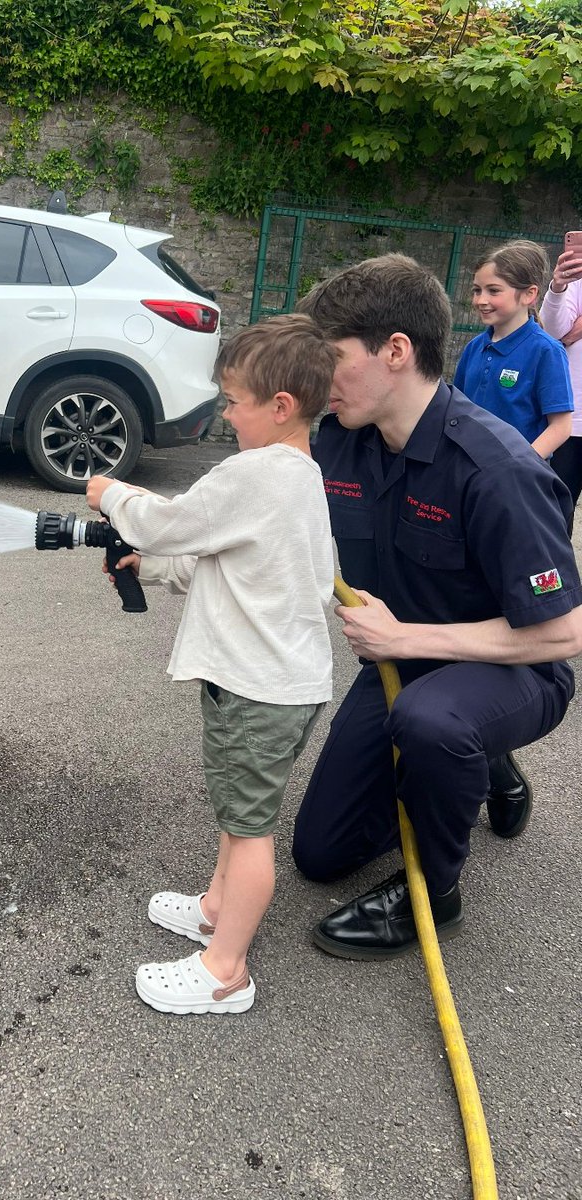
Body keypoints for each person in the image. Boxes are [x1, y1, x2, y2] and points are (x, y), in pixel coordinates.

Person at [292, 253, 582, 960]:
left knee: (431, 722)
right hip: (405, 661)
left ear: (396, 351)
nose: (316, 381)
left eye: (329, 359)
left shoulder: (497, 470)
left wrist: (405, 637)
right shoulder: (342, 439)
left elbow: (562, 633)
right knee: (320, 853)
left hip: (515, 671)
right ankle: (480, 765)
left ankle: (440, 890)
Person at [85, 314, 337, 1014]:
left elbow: (169, 522)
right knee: (238, 812)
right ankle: (215, 908)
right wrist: (156, 566)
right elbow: (237, 569)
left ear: (279, 406)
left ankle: (225, 970)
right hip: (273, 687)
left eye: (233, 401)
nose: (226, 414)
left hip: (257, 691)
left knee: (251, 831)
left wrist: (115, 496)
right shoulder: (299, 480)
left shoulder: (255, 472)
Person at [453, 239, 573, 460]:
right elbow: (456, 410)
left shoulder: (547, 351)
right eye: (477, 290)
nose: (481, 300)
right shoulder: (473, 348)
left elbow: (561, 427)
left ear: (529, 294)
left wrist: (519, 466)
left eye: (493, 290)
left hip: (515, 482)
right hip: (467, 472)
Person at [540, 246, 582, 534]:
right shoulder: (575, 283)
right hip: (573, 419)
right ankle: (559, 579)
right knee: (555, 512)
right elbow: (553, 333)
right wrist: (558, 287)